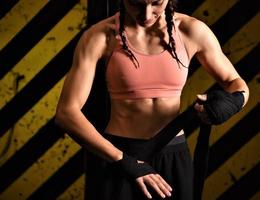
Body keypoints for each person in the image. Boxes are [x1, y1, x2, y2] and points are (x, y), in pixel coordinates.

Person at [55, 0, 249, 199]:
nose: (146, 14)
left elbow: (236, 84)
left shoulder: (191, 31)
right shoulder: (100, 36)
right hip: (119, 156)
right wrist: (122, 160)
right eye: (136, 4)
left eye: (156, 3)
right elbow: (66, 113)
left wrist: (228, 104)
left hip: (173, 156)